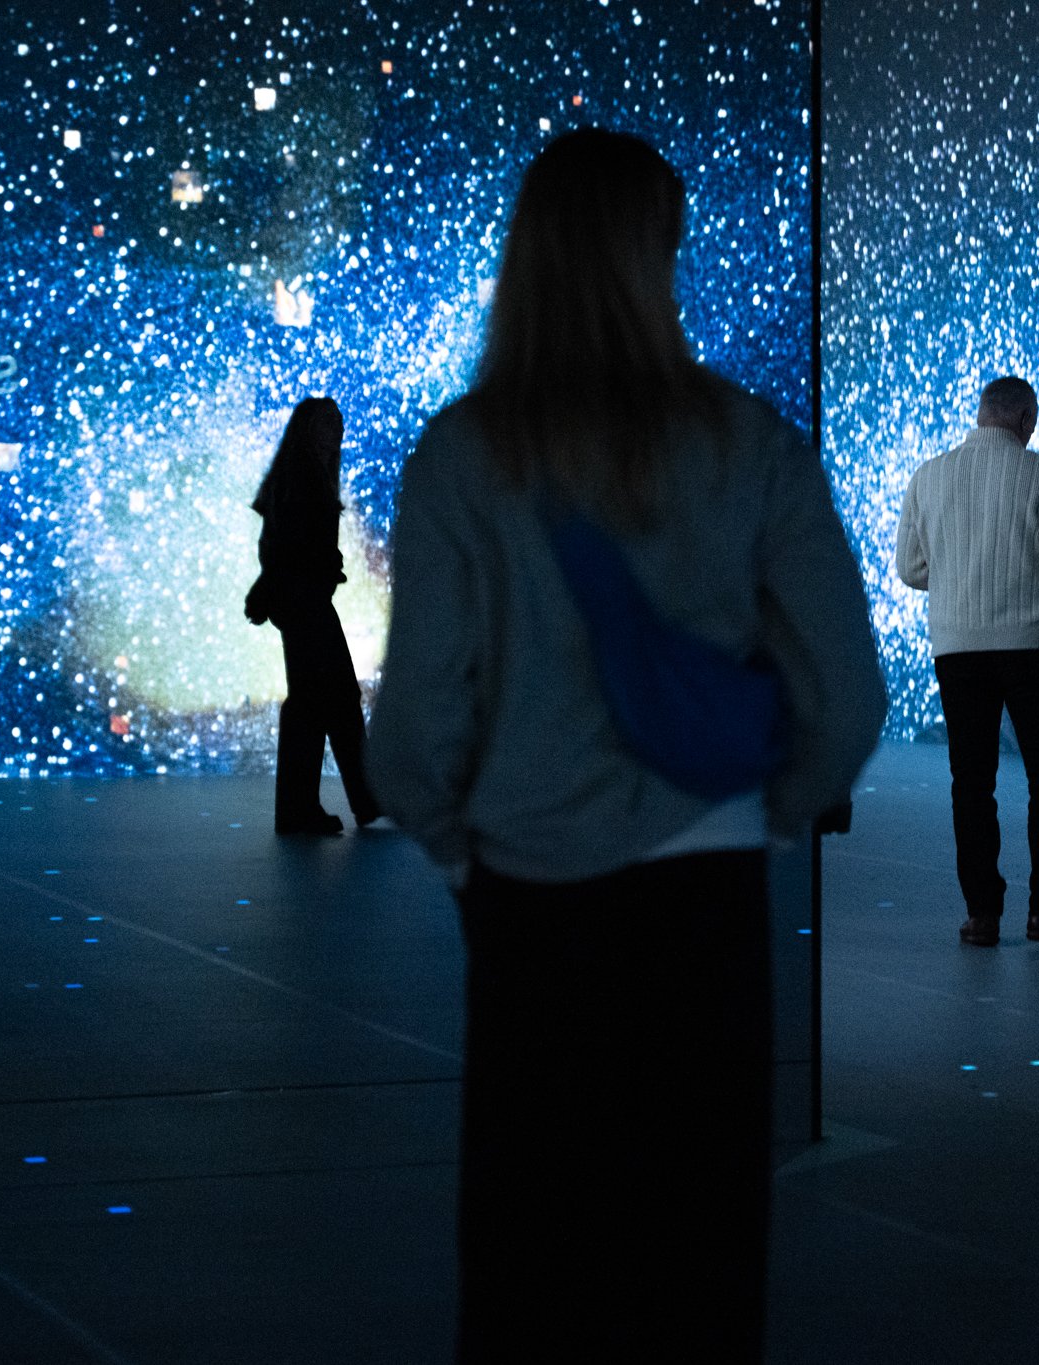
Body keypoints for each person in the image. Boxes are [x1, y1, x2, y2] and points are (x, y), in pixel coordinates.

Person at [366, 130, 886, 1364]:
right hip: (703, 897)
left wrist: (450, 843)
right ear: (658, 256)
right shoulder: (746, 443)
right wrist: (770, 812)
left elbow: (417, 718)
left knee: (530, 1260)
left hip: (529, 904)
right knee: (693, 1258)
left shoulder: (462, 455)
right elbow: (847, 692)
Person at [894, 375, 1039, 948]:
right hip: (1031, 648)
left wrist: (959, 577)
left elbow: (909, 570)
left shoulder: (928, 477)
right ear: (1026, 420)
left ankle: (981, 916)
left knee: (971, 783)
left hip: (956, 649)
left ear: (980, 415)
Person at [244, 396, 381, 835]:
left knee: (325, 700)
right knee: (324, 700)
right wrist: (319, 572)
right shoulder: (306, 476)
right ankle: (329, 804)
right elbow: (287, 544)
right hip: (304, 600)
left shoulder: (303, 473)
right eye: (328, 423)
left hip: (301, 599)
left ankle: (339, 802)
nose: (337, 429)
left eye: (338, 422)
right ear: (309, 430)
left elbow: (279, 543)